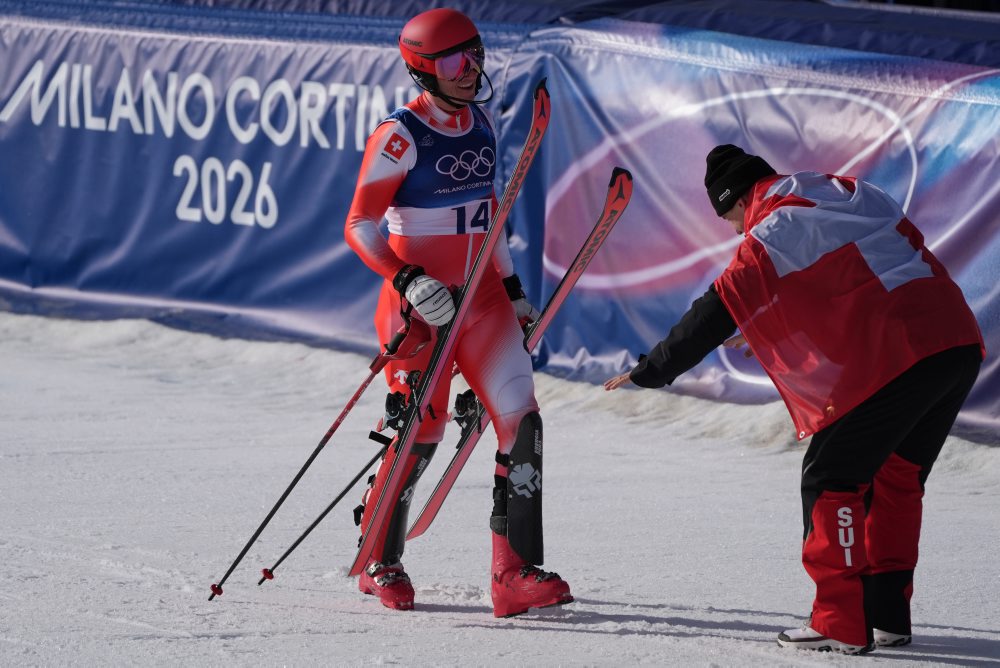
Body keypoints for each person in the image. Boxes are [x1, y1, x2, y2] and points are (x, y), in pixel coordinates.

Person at [604, 144, 984, 654]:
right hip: (954, 340)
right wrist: (759, 323)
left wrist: (651, 371)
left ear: (735, 201)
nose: (738, 232)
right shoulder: (845, 190)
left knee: (831, 477)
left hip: (901, 352)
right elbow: (864, 268)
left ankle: (839, 622)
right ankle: (886, 616)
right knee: (895, 475)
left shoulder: (774, 226)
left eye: (732, 222)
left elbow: (713, 310)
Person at [343, 8, 572, 617]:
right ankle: (379, 559)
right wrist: (409, 279)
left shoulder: (481, 122)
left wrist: (515, 288)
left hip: (483, 300)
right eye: (453, 61)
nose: (470, 70)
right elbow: (360, 224)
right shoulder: (400, 136)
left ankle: (514, 573)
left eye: (476, 54)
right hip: (420, 310)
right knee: (421, 431)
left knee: (523, 421)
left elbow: (489, 217)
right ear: (423, 70)